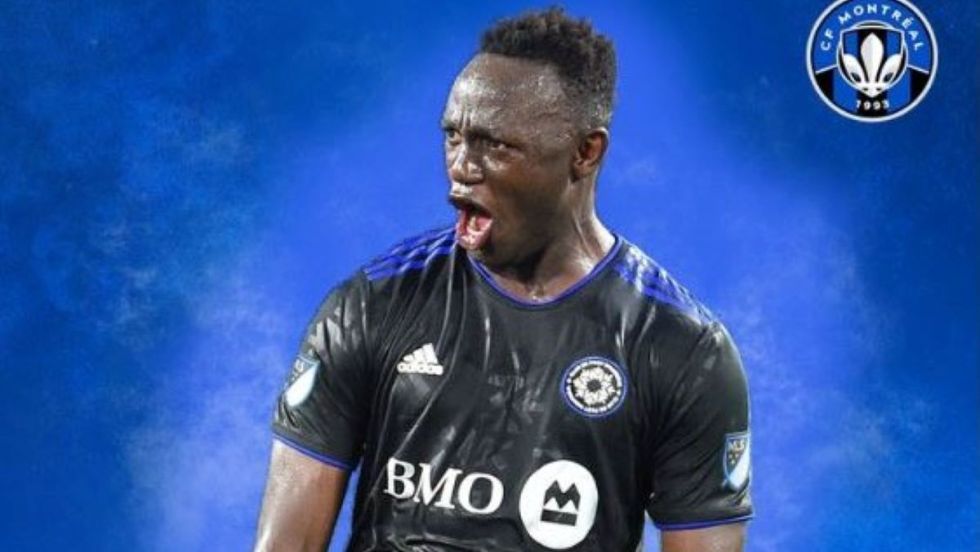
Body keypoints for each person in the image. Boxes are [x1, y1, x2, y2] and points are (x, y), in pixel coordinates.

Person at [254, 7, 752, 551]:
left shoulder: (682, 348)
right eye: (453, 136)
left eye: (495, 145)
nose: (462, 166)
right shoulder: (371, 305)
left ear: (585, 153)